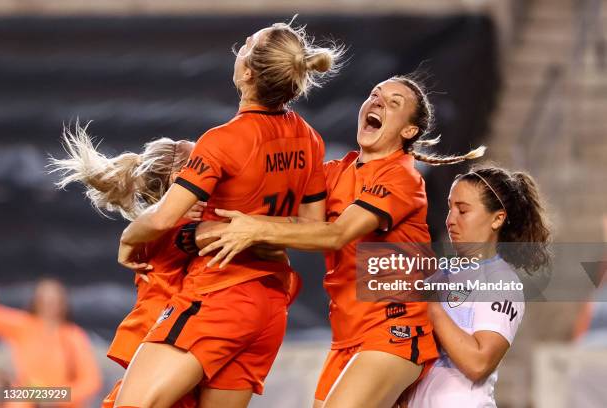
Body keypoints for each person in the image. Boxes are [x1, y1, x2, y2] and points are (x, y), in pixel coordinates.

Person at [196, 75, 485, 408]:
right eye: (375, 95)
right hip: (347, 337)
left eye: (394, 103)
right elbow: (300, 223)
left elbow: (336, 235)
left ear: (409, 131)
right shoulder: (336, 171)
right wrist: (215, 222)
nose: (378, 102)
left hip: (394, 329)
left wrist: (254, 229)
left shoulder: (401, 176)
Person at [114, 20, 343, 408]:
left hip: (220, 294)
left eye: (247, 43)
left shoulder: (223, 140)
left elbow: (162, 220)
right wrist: (261, 230)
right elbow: (313, 228)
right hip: (270, 305)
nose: (240, 46)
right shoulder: (310, 137)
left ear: (249, 71)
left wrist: (127, 241)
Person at [49, 124, 202, 408]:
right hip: (165, 334)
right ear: (178, 176)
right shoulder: (167, 223)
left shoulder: (72, 337)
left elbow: (86, 384)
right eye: (202, 165)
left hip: (171, 333)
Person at [406, 166, 551, 407]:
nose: (450, 220)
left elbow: (478, 364)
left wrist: (430, 306)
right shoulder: (437, 275)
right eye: (450, 208)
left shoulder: (500, 281)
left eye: (462, 210)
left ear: (497, 218)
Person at [0, 278, 102, 408]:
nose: (48, 305)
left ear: (62, 304)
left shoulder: (73, 335)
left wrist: (52, 396)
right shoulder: (24, 325)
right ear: (35, 301)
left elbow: (91, 382)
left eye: (53, 301)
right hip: (27, 395)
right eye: (43, 300)